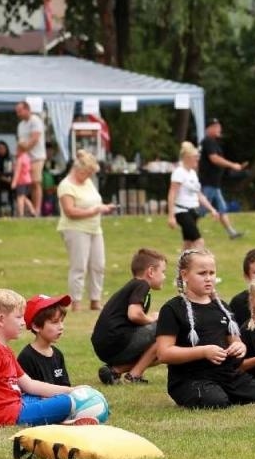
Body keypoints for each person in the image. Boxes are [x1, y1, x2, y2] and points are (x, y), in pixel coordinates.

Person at [0, 288, 94, 431]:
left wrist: (71, 389)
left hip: (14, 405)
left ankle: (60, 418)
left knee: (40, 396)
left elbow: (29, 384)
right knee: (67, 403)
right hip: (2, 415)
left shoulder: (3, 349)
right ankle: (65, 417)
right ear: (1, 320)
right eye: (19, 317)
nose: (23, 322)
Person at [155, 247, 255, 409]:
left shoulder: (221, 307)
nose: (208, 278)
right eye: (202, 273)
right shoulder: (172, 309)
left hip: (225, 375)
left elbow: (236, 342)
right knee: (216, 401)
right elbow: (163, 353)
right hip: (190, 379)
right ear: (184, 275)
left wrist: (239, 347)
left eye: (212, 273)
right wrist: (203, 351)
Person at [93, 247, 167, 385]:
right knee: (167, 330)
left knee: (158, 352)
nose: (164, 276)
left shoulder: (132, 286)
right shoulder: (142, 284)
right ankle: (134, 375)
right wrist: (152, 319)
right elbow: (134, 314)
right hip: (117, 341)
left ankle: (114, 371)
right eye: (163, 272)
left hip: (104, 346)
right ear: (151, 271)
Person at [57, 150, 114, 311]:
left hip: (95, 228)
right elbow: (70, 211)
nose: (89, 176)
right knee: (79, 266)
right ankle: (76, 302)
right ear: (78, 170)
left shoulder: (88, 182)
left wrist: (103, 208)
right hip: (75, 229)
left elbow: (94, 202)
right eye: (87, 173)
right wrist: (94, 210)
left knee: (98, 264)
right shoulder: (66, 186)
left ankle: (95, 299)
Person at [198, 117, 246, 240]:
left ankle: (232, 233)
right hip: (208, 182)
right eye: (215, 127)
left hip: (215, 183)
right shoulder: (207, 142)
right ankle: (190, 230)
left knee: (222, 208)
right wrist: (232, 165)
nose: (218, 129)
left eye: (219, 126)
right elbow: (214, 159)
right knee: (202, 209)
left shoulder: (214, 143)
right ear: (208, 129)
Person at [168, 143, 219, 250]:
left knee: (188, 243)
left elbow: (199, 194)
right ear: (187, 158)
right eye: (195, 157)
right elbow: (172, 193)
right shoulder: (179, 173)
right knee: (199, 241)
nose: (198, 159)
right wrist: (171, 216)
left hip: (193, 211)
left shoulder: (192, 173)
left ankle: (181, 266)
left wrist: (212, 209)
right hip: (182, 211)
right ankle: (198, 265)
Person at [17, 293, 73, 386]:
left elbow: (65, 386)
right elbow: (25, 392)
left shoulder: (58, 354)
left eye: (61, 321)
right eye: (55, 322)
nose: (61, 327)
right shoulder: (26, 357)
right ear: (36, 326)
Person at [15, 100, 47, 217]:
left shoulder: (36, 121)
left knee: (36, 182)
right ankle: (30, 210)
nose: (18, 114)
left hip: (37, 157)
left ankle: (37, 210)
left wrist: (24, 148)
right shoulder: (20, 125)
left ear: (27, 109)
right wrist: (19, 156)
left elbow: (34, 139)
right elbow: (20, 142)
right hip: (25, 158)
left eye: (20, 111)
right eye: (17, 112)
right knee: (24, 185)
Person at [12, 143, 37, 218]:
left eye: (17, 149)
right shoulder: (27, 157)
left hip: (21, 181)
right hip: (28, 180)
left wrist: (14, 182)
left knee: (20, 197)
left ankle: (21, 214)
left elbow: (17, 171)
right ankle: (32, 211)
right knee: (24, 197)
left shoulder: (20, 159)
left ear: (20, 150)